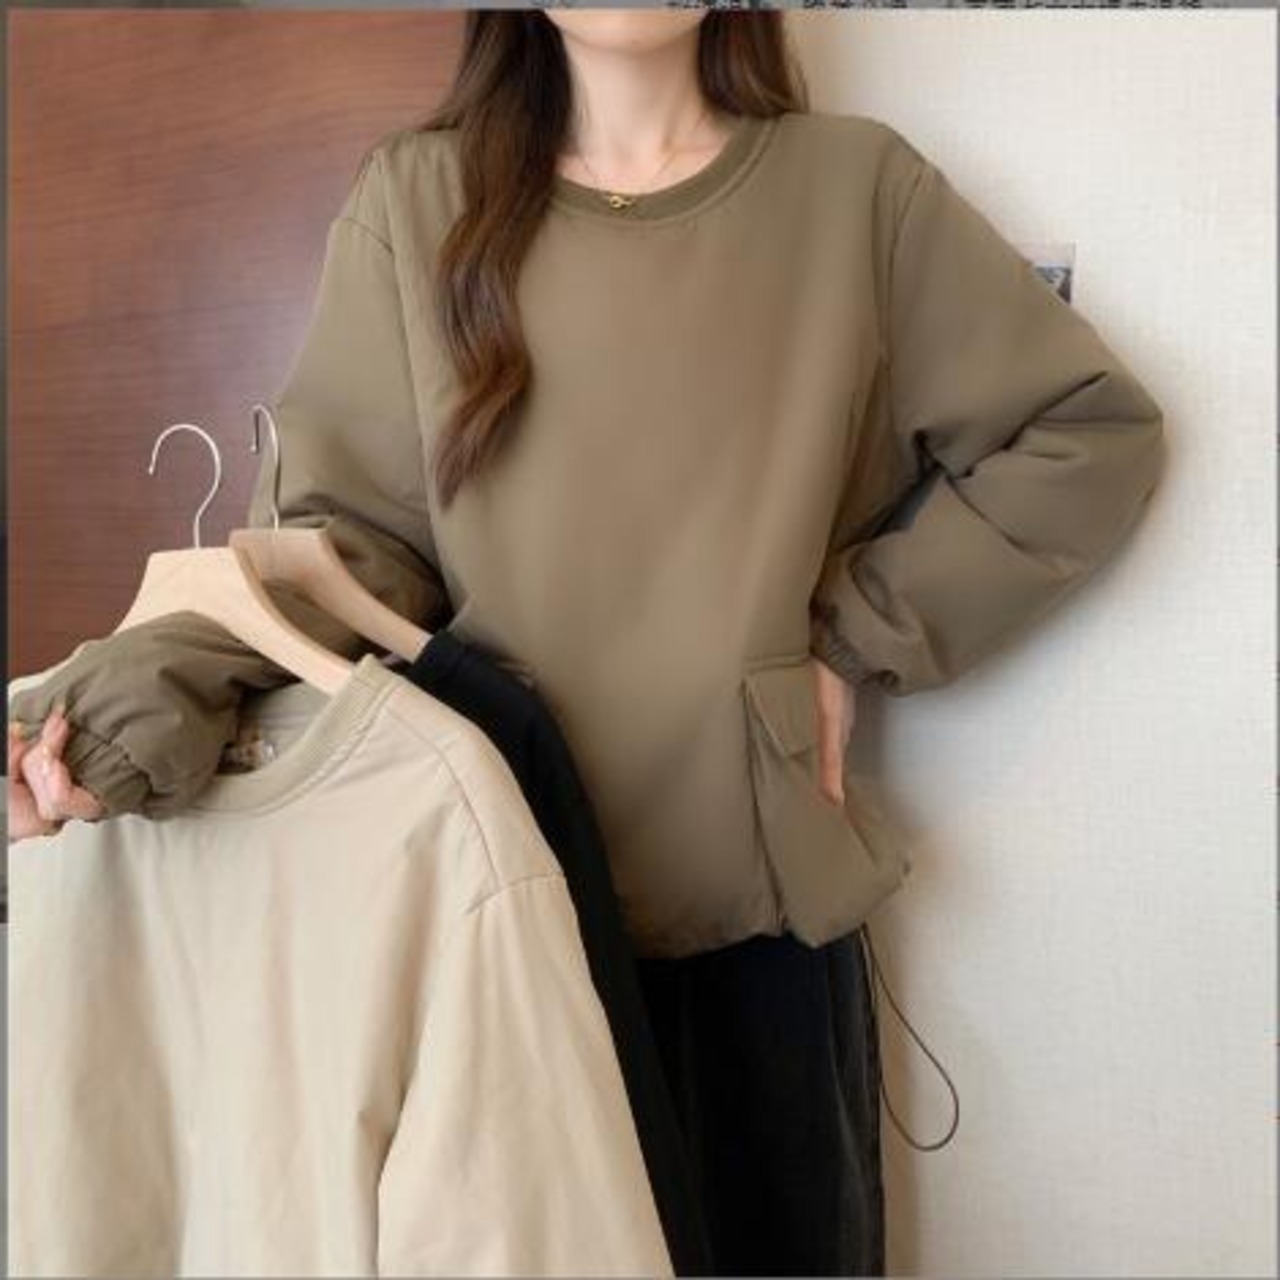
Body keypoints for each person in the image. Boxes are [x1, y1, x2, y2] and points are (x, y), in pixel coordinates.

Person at [8, 9, 1166, 1276]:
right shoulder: (416, 200)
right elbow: (343, 554)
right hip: (487, 922)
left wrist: (850, 643)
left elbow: (1083, 433)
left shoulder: (854, 193)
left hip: (754, 935)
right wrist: (108, 715)